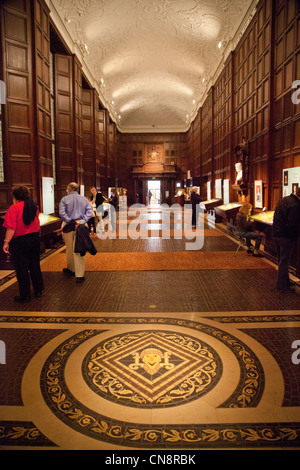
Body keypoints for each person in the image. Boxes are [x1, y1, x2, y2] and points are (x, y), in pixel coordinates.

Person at [2, 186, 44, 302]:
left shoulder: (14, 208)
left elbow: (11, 228)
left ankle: (25, 295)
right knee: (34, 265)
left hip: (20, 242)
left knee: (21, 268)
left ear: (15, 196)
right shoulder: (34, 206)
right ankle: (38, 289)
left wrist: (6, 242)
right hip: (34, 239)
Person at [59, 182, 93, 283]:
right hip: (82, 226)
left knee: (69, 248)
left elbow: (62, 213)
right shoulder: (84, 199)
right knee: (80, 248)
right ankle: (79, 274)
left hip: (68, 226)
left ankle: (71, 269)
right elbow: (89, 212)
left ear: (69, 189)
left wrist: (70, 221)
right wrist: (81, 221)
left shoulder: (64, 199)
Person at [273, 187, 300, 293]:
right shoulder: (296, 205)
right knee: (284, 261)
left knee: (282, 260)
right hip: (286, 237)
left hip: (276, 234)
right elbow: (292, 224)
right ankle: (281, 284)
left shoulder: (284, 199)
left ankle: (286, 280)